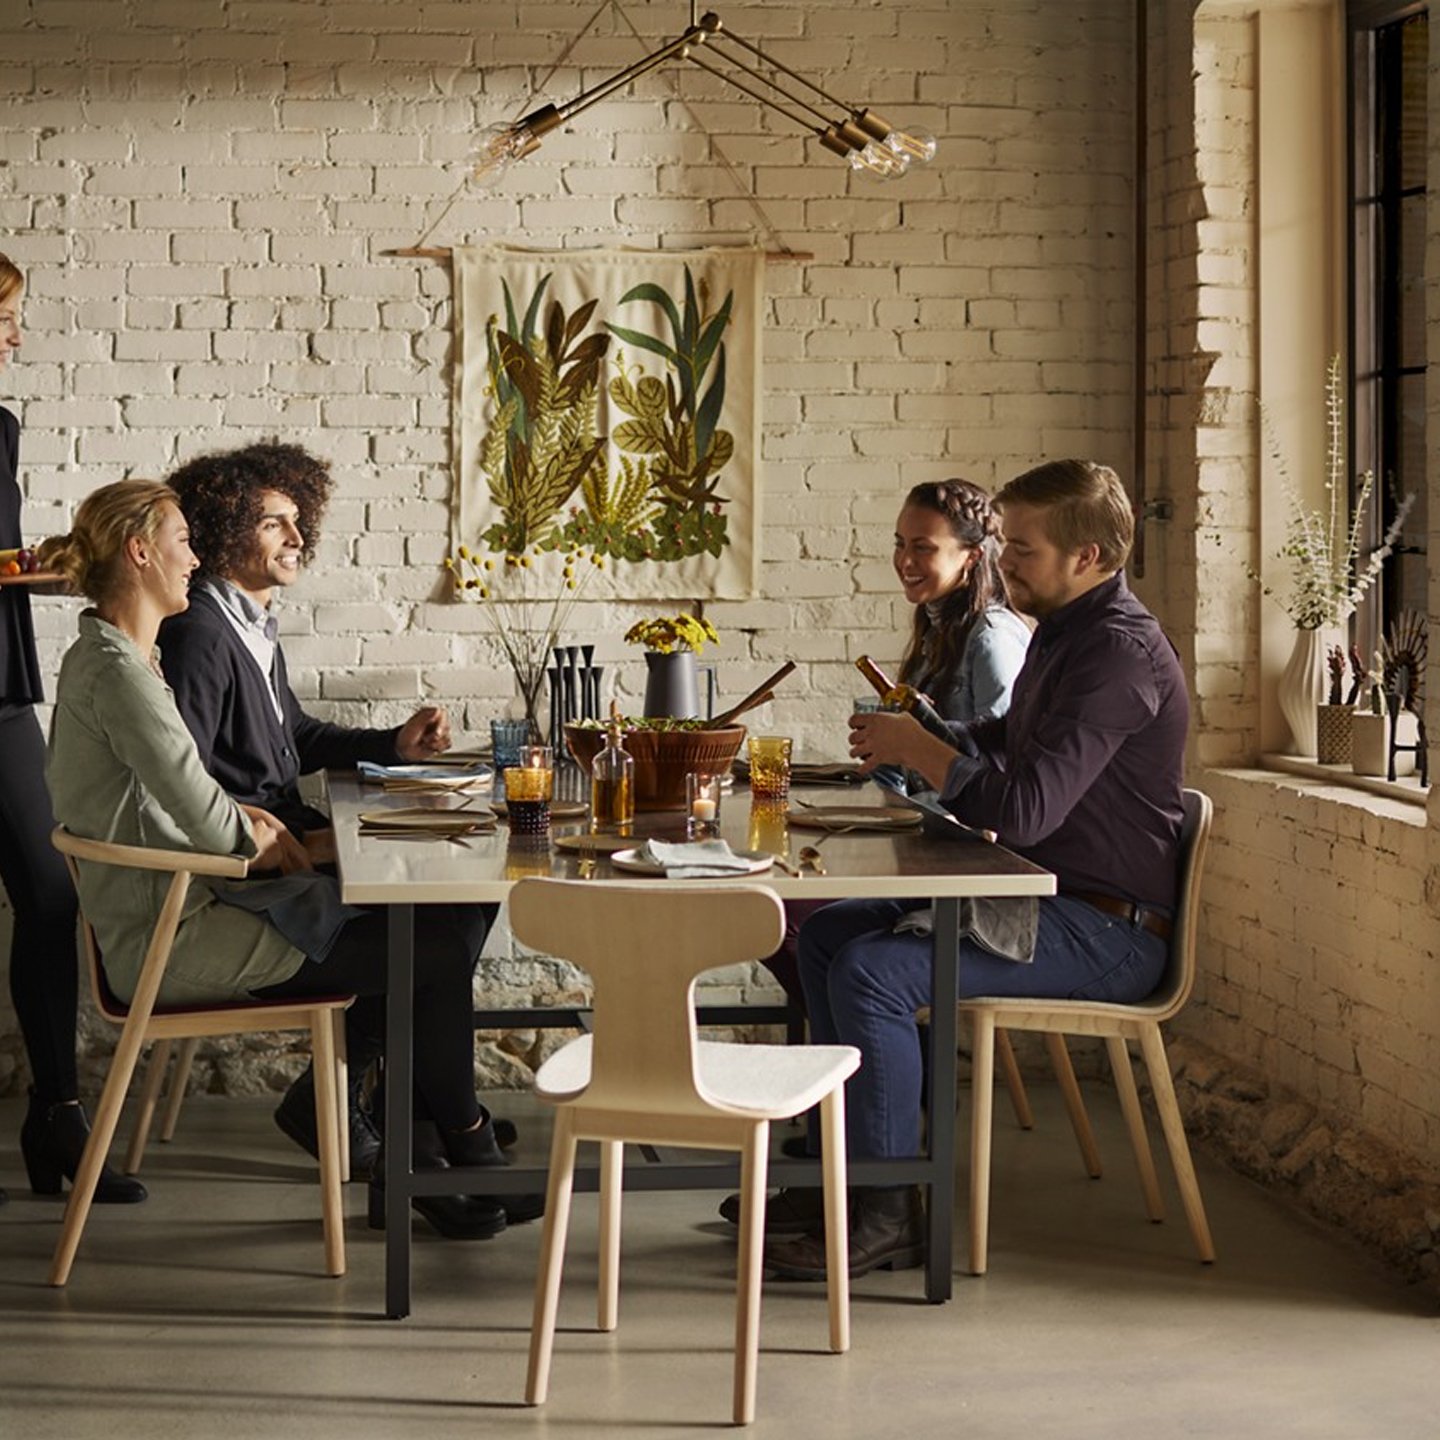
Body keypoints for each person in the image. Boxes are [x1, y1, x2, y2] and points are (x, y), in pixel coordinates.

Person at [44, 480, 531, 1240]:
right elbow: (199, 802)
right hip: (178, 935)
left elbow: (184, 789)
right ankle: (448, 1151)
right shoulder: (117, 672)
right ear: (140, 553)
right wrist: (273, 842)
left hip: (188, 908)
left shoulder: (119, 658)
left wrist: (257, 825)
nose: (193, 559)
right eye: (181, 542)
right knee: (430, 952)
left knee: (424, 935)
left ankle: (427, 1157)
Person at [765, 459, 1189, 1280]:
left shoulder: (1119, 655)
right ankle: (840, 1181)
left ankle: (889, 1215)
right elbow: (1001, 744)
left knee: (873, 974)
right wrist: (929, 724)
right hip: (1045, 904)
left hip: (1108, 927)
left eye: (1022, 550)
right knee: (827, 941)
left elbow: (1024, 810)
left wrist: (920, 751)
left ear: (1089, 557)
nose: (1006, 563)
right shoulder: (1067, 633)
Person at [157, 441, 475, 1172]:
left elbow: (293, 736)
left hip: (291, 839)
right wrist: (288, 840)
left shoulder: (249, 626)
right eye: (274, 523)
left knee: (464, 905)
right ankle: (427, 1121)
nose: (297, 538)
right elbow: (189, 782)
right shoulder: (201, 633)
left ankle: (397, 1104)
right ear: (222, 528)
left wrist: (393, 742)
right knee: (444, 932)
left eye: (298, 521)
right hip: (256, 866)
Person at [761, 479, 1030, 1008]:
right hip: (921, 848)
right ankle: (853, 1065)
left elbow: (1002, 767)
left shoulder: (992, 637)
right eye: (900, 544)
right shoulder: (937, 633)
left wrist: (913, 743)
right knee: (773, 905)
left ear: (973, 557)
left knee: (782, 914)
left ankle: (866, 1062)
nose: (904, 560)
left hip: (961, 868)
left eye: (923, 547)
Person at [0, 254, 145, 1208]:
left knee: (52, 897)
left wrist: (41, 562)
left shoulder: (0, 426)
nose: (16, 335)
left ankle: (57, 1111)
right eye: (7, 316)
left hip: (1, 696)